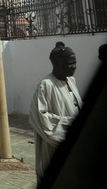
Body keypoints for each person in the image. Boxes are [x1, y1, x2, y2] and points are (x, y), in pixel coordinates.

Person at [29, 42, 82, 183]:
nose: (74, 67)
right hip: (53, 146)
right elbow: (39, 117)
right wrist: (69, 124)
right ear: (56, 64)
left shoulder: (71, 80)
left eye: (75, 63)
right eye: (69, 64)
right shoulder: (46, 85)